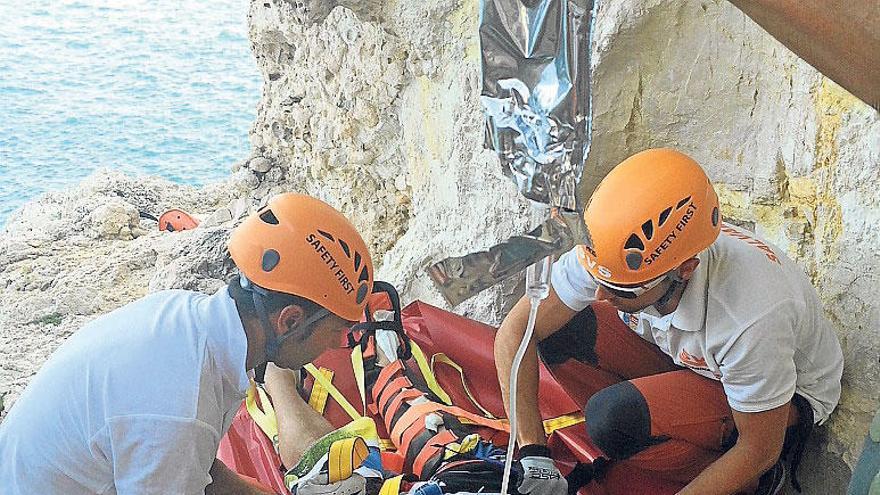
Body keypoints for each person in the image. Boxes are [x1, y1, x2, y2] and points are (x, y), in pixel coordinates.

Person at [494, 148, 844, 495]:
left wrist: (750, 470)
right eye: (596, 280)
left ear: (684, 270)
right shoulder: (614, 254)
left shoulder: (751, 317)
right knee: (562, 331)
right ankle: (648, 435)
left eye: (621, 291)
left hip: (781, 401)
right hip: (697, 358)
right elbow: (516, 333)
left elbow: (758, 450)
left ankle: (752, 486)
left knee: (613, 419)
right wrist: (534, 456)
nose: (601, 295)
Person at [0, 193, 374, 495]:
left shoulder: (186, 320)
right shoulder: (180, 405)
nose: (339, 342)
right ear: (290, 320)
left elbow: (196, 468)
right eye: (335, 329)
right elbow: (176, 440)